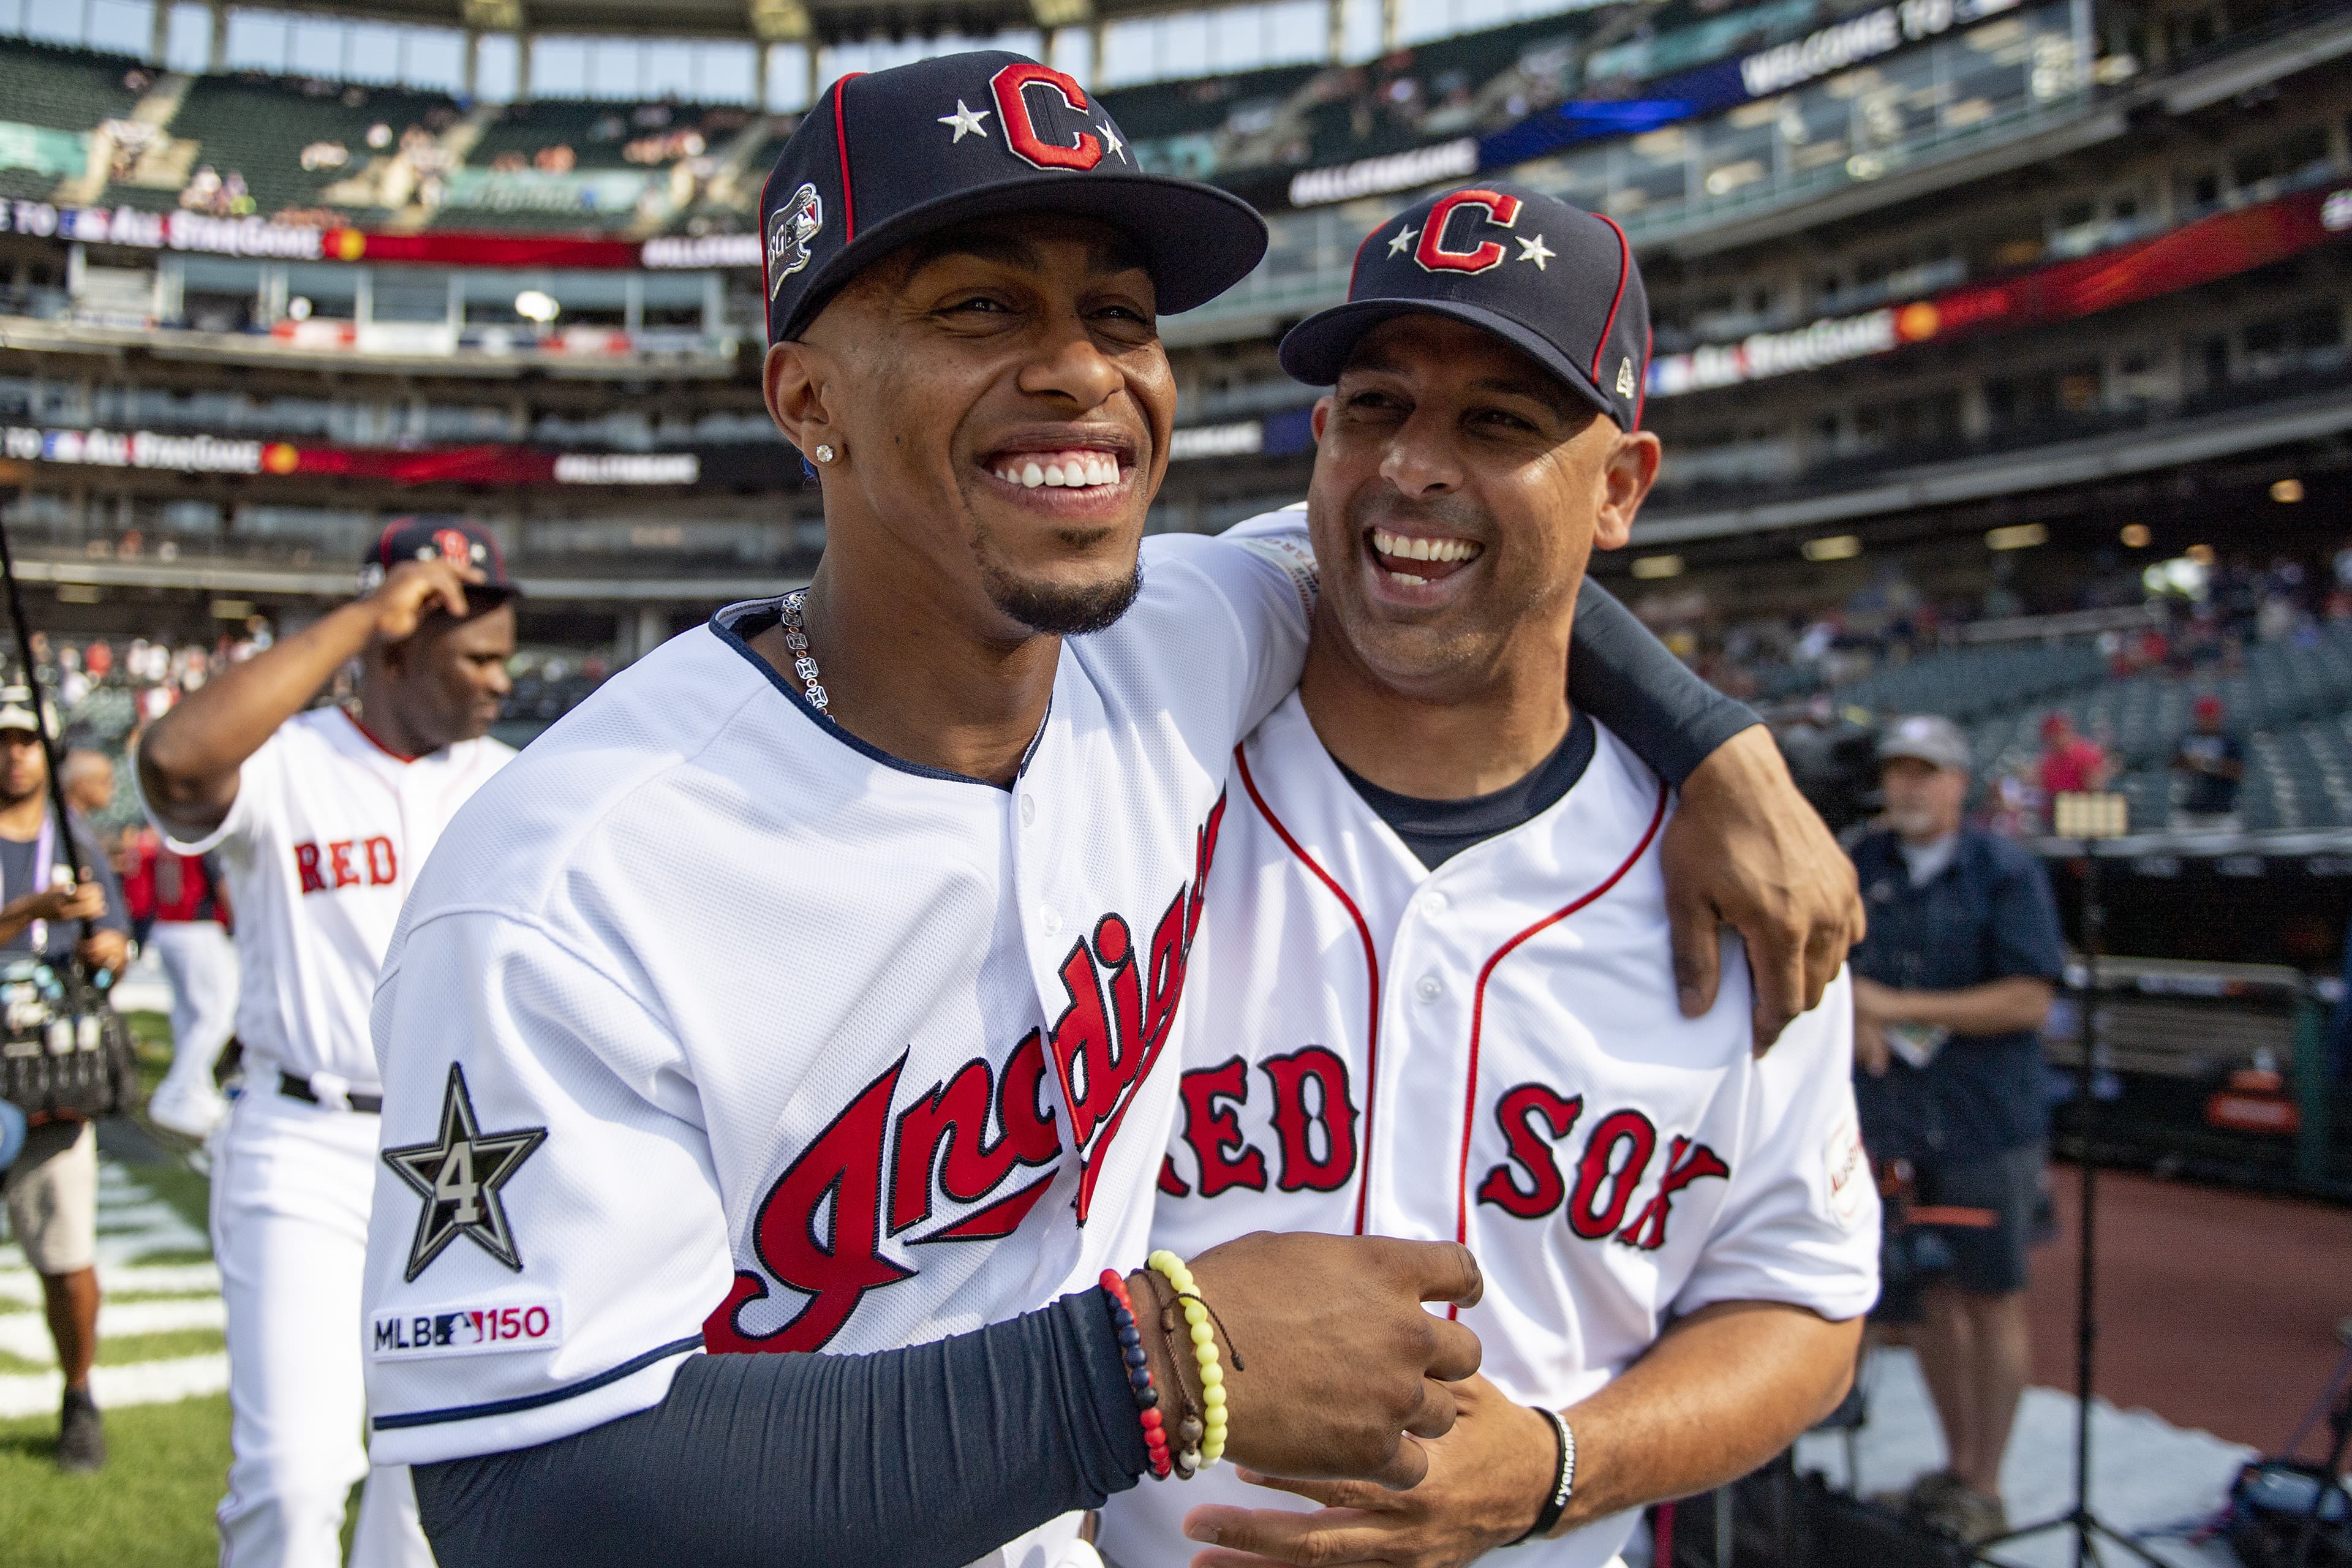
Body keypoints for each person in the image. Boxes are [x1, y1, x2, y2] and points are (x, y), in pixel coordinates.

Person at [361, 53, 1859, 1568]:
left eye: (1122, 316)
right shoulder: (571, 878)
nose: (1081, 369)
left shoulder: (1180, 640)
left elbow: (1446, 545)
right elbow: (520, 1500)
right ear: (807, 396)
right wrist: (1155, 1365)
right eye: (980, 306)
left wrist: (1711, 742)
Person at [1098, 184, 1878, 1568]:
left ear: (1620, 487)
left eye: (1499, 422)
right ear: (1321, 439)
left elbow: (1803, 1303)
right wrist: (1710, 729)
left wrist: (1560, 1467)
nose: (1413, 465)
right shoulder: (1136, 785)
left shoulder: (1746, 888)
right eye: (1375, 407)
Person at [135, 520, 518, 1568]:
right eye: (475, 659)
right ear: (395, 648)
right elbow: (172, 761)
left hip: (466, 1157)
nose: (500, 682)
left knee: (428, 1489)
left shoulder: (514, 781)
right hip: (304, 1139)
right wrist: (358, 618)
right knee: (294, 1478)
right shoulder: (291, 761)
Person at [1847, 714, 2066, 1544]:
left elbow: (2029, 998)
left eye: (1926, 772)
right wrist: (1854, 1008)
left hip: (1985, 1120)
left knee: (1992, 1295)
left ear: (1958, 783)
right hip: (1895, 1120)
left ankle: (1986, 1482)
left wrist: (1899, 1005)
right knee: (1929, 1295)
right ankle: (1956, 1465)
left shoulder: (2003, 869)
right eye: (1897, 771)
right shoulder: (1863, 861)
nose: (1908, 786)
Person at [0, 687, 132, 1472]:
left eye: (26, 740)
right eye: (2, 740)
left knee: (66, 1252)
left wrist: (110, 947)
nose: (13, 754)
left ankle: (79, 1393)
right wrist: (31, 909)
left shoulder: (75, 837)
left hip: (51, 1077)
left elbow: (111, 938)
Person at [132, 828, 239, 1140]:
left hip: (166, 926)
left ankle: (196, 1092)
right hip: (197, 928)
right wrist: (240, 926)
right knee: (217, 1017)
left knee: (188, 1016)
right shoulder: (202, 840)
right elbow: (221, 884)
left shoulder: (165, 840)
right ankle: (175, 1092)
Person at [2168, 693, 2244, 832]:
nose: (2208, 721)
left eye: (2212, 717)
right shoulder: (2187, 739)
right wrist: (2189, 763)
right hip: (2189, 812)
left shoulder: (2230, 741)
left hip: (2222, 812)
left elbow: (2238, 771)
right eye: (2204, 717)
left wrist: (2208, 765)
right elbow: (2172, 765)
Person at [2034, 712, 2109, 821]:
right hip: (2057, 815)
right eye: (2052, 736)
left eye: (2059, 733)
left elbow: (2096, 791)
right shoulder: (2047, 761)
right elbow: (2044, 794)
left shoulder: (2085, 754)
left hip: (2085, 814)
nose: (2056, 739)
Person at [59, 748, 115, 821]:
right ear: (80, 786)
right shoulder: (62, 821)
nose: (110, 787)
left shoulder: (76, 819)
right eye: (104, 782)